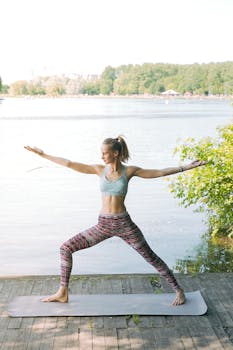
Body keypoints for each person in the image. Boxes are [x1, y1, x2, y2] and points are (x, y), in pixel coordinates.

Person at [24, 136, 207, 306]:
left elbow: (159, 172)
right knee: (66, 248)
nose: (101, 156)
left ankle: (179, 290)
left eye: (104, 153)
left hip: (124, 224)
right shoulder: (98, 170)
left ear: (115, 153)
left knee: (150, 257)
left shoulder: (129, 171)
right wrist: (43, 154)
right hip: (103, 225)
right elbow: (69, 163)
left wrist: (187, 167)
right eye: (101, 153)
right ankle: (63, 292)